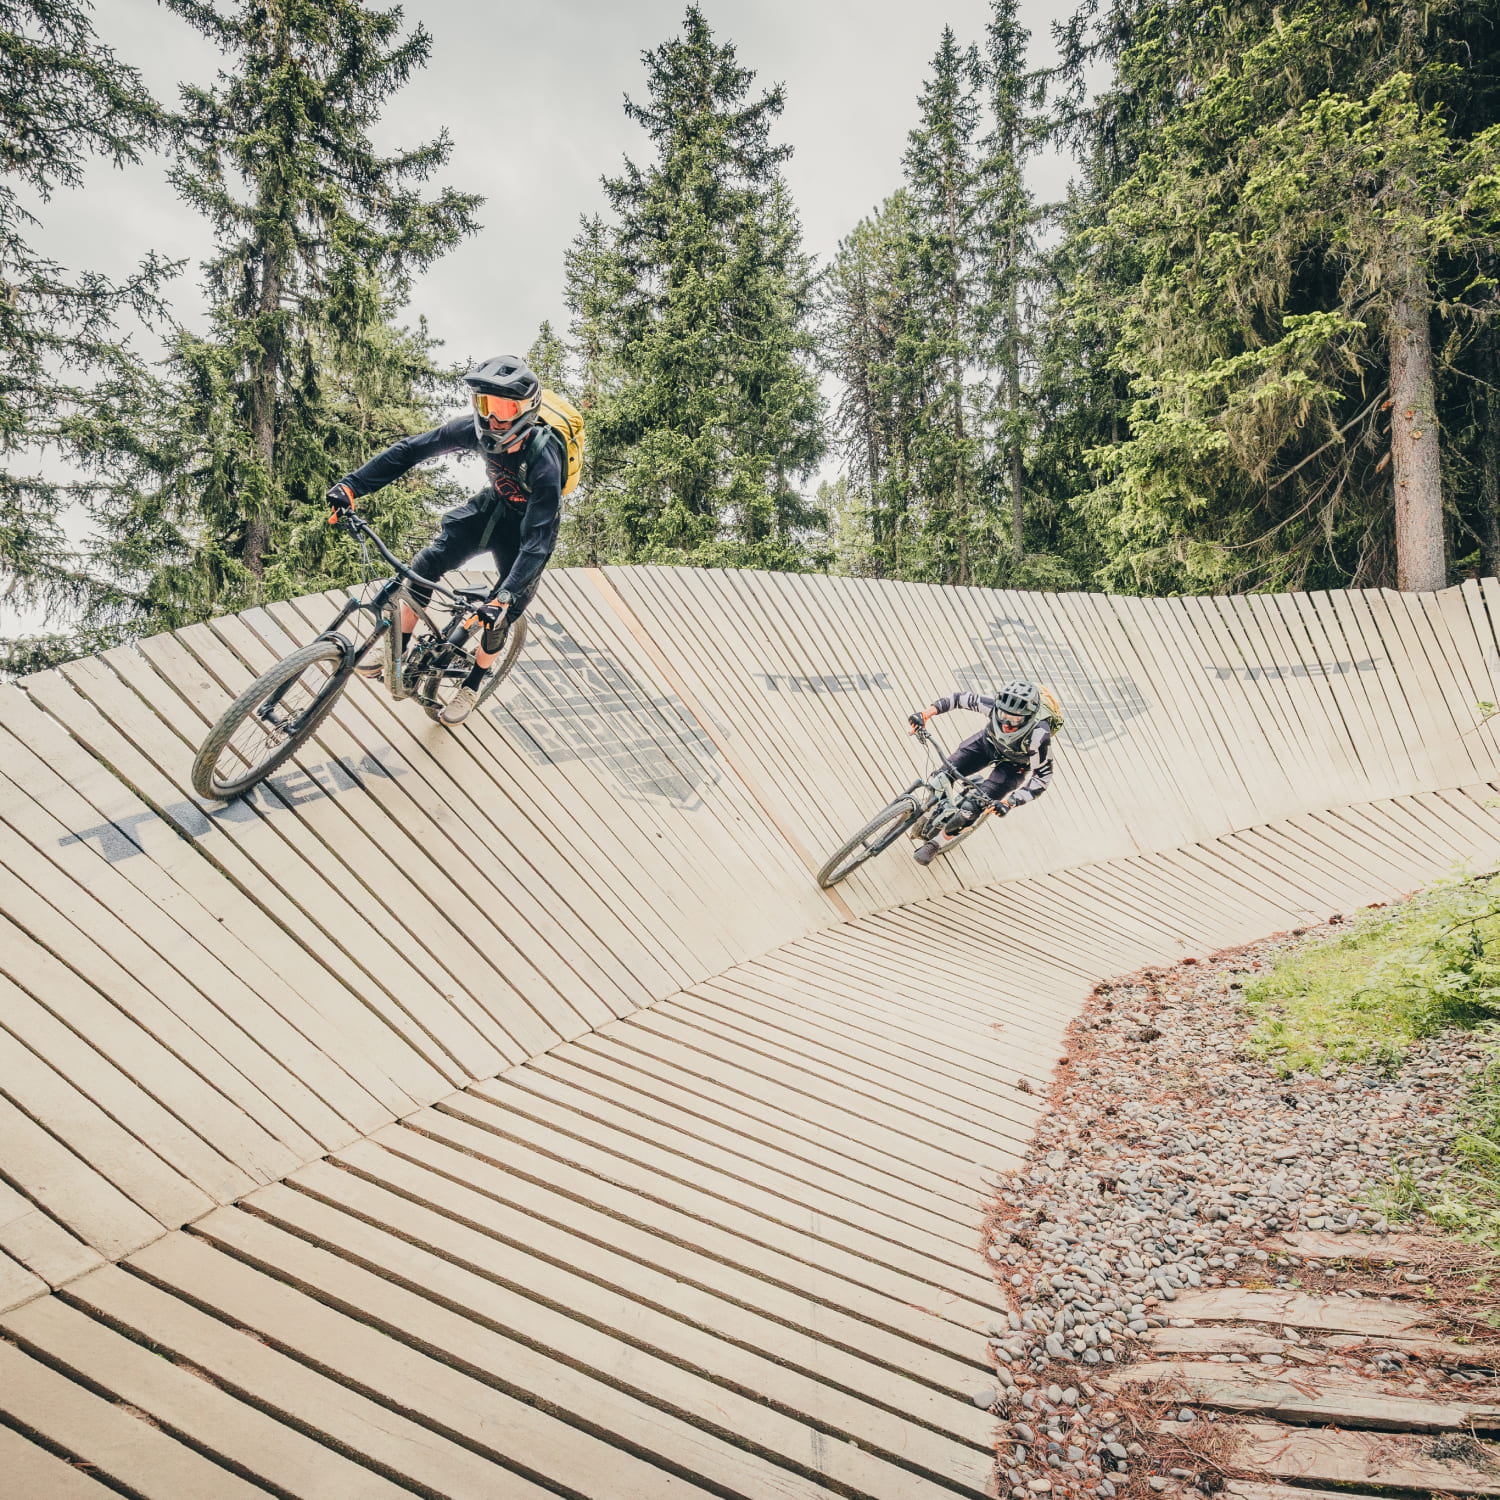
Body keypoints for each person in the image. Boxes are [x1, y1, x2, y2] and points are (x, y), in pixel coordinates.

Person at [326, 354, 561, 726]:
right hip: (493, 510)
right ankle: (396, 658)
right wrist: (352, 486)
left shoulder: (545, 460)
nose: (494, 418)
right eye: (487, 405)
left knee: (499, 616)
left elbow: (538, 542)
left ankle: (472, 684)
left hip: (529, 532)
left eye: (505, 408)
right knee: (425, 565)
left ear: (526, 410)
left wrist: (503, 598)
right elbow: (411, 450)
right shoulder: (473, 429)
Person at [906, 679, 1055, 866]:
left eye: (1015, 719)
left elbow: (1042, 778)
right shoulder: (993, 707)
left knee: (970, 810)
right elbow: (959, 699)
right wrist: (925, 714)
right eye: (1003, 714)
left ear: (1028, 717)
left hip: (1014, 765)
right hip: (987, 744)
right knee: (942, 775)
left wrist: (1011, 802)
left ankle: (936, 844)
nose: (1006, 722)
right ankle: (932, 808)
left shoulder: (1039, 734)